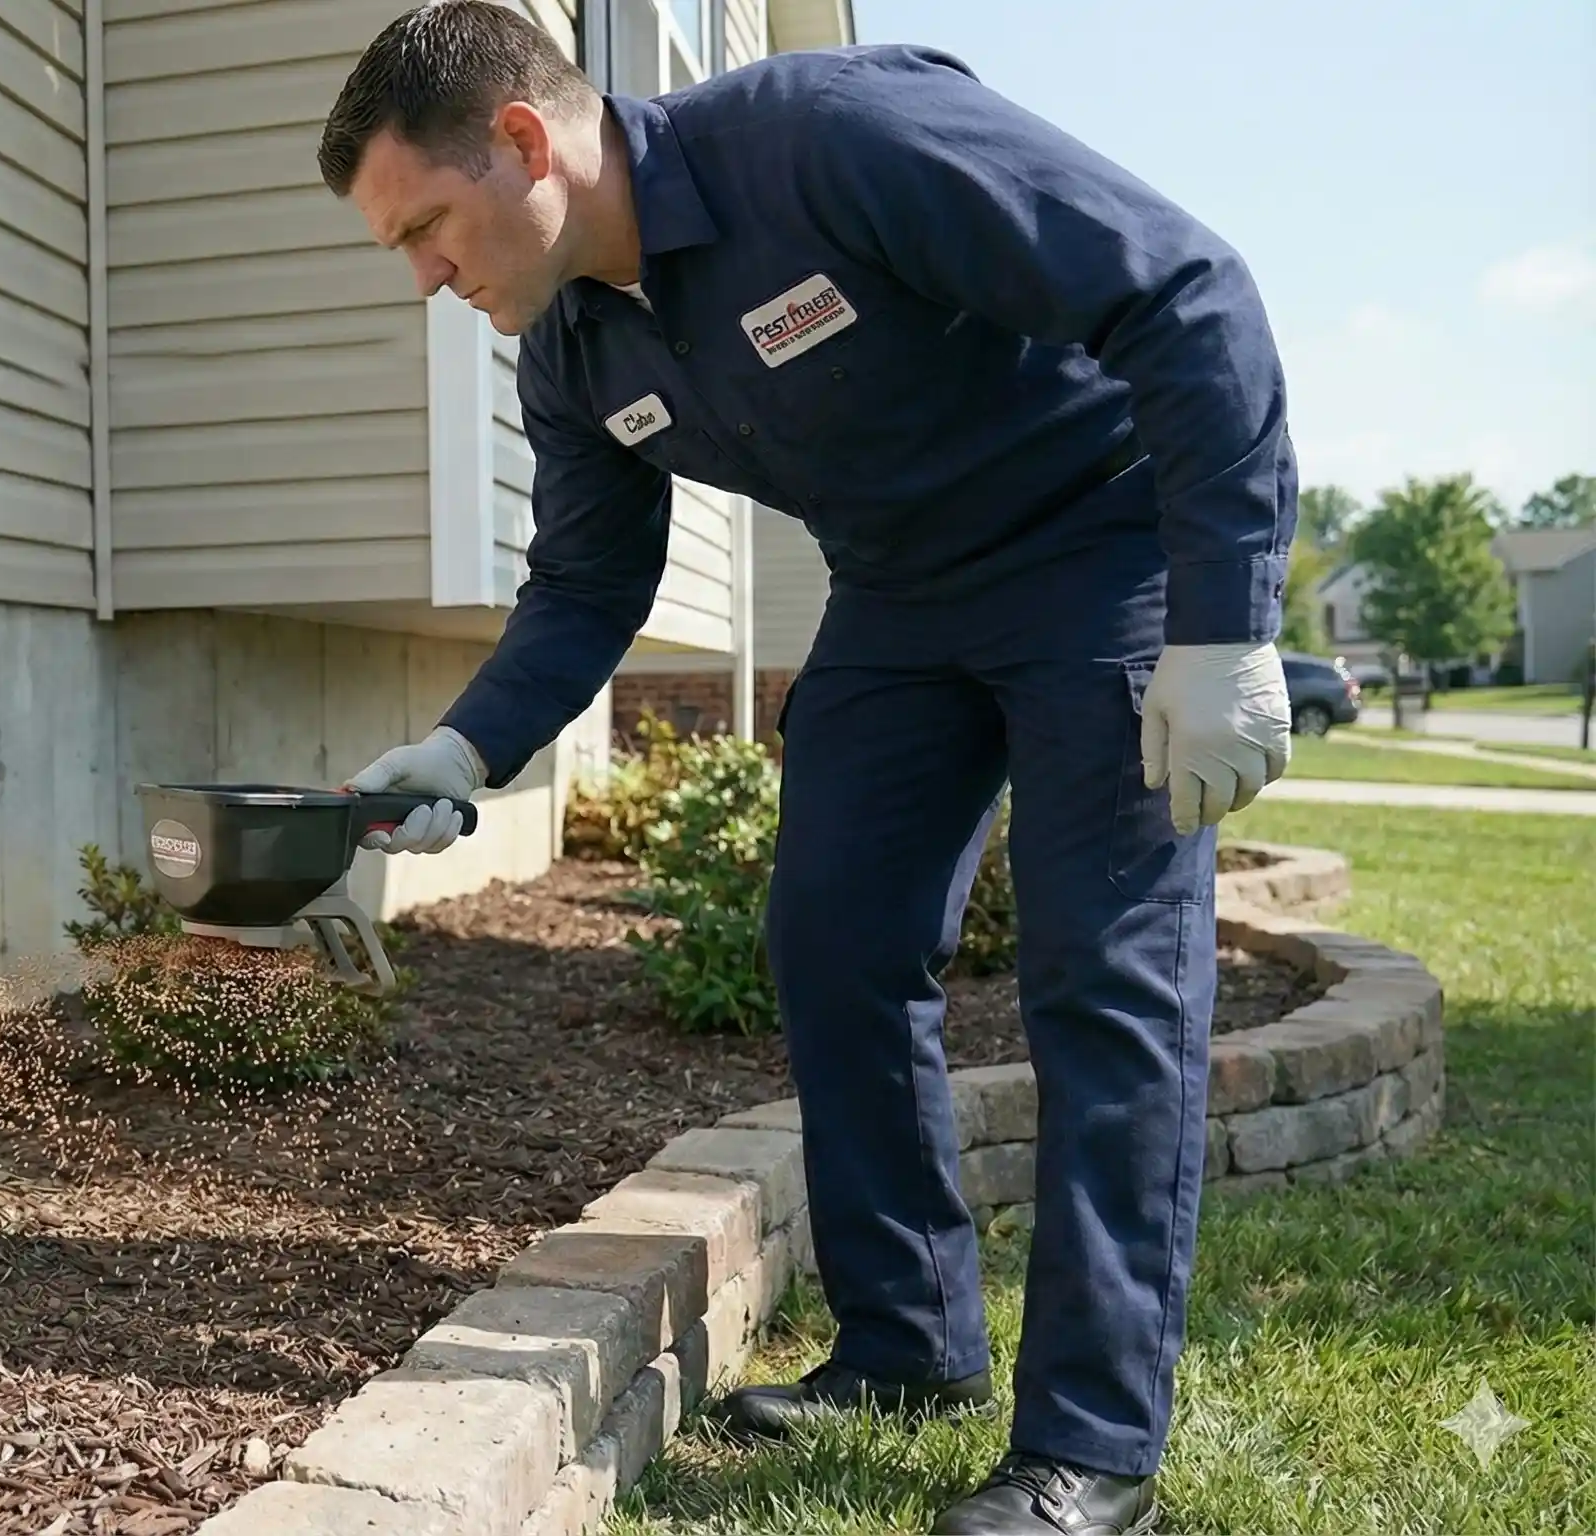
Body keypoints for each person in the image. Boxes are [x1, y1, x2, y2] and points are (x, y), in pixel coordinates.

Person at [320, 6, 1295, 1534]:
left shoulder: (833, 138)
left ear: (525, 141)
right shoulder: (575, 345)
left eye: (428, 228)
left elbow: (1187, 294)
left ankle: (1092, 1451)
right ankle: (912, 1344)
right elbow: (584, 587)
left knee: (1104, 979)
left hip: (1106, 550)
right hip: (902, 596)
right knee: (834, 938)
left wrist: (1225, 624)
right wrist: (464, 744)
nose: (428, 278)